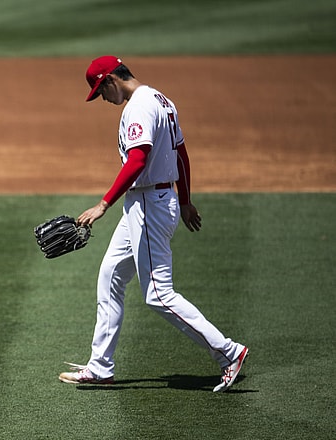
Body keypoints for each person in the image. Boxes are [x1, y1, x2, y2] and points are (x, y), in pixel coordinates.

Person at [58, 56, 248, 392]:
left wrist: (103, 204)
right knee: (111, 275)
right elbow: (180, 153)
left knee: (158, 294)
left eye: (100, 91)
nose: (102, 99)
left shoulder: (140, 107)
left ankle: (227, 352)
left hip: (148, 205)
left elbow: (138, 159)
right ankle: (100, 367)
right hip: (148, 202)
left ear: (111, 80)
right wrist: (185, 200)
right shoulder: (160, 99)